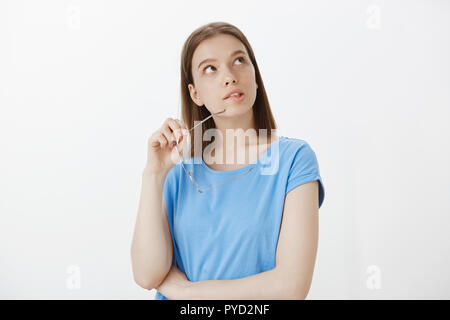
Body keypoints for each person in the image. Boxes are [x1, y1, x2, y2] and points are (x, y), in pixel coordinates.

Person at [130, 22, 325, 300]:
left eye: (239, 61)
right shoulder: (177, 173)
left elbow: (290, 288)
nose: (230, 76)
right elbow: (147, 275)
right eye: (210, 68)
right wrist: (154, 174)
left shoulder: (294, 160)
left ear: (255, 77)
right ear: (195, 93)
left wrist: (185, 291)